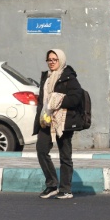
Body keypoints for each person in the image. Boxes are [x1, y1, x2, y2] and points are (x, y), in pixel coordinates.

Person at [33, 49, 84, 200]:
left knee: (65, 155)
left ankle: (66, 189)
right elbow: (43, 100)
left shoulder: (69, 77)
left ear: (60, 60)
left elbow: (76, 98)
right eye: (49, 59)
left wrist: (58, 100)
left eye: (54, 59)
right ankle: (51, 184)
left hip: (63, 121)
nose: (51, 62)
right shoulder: (46, 77)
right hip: (46, 120)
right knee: (41, 150)